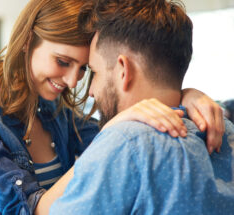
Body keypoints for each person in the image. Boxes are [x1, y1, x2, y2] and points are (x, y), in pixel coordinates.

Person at [0, 0, 224, 214]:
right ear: (26, 42)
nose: (73, 81)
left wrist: (186, 94)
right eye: (62, 61)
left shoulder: (58, 114)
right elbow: (30, 209)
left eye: (85, 69)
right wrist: (116, 127)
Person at [49, 0, 234, 214]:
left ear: (123, 70)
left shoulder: (124, 143)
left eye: (95, 72)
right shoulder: (224, 130)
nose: (91, 90)